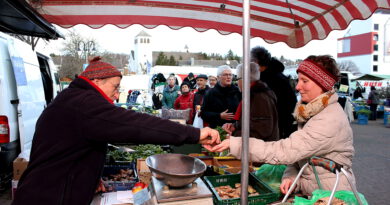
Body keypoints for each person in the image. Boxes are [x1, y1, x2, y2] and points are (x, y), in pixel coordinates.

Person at [12, 57, 220, 205]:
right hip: (49, 197)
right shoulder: (85, 103)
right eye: (115, 86)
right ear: (97, 82)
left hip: (48, 190)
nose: (116, 94)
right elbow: (135, 125)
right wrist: (195, 134)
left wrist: (88, 178)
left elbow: (74, 148)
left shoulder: (74, 98)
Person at [209, 55, 357, 196]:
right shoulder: (311, 112)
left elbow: (288, 150)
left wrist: (238, 144)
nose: (298, 86)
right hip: (314, 191)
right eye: (298, 80)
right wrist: (291, 176)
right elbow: (299, 158)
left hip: (333, 195)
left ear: (322, 85)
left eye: (304, 81)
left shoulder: (329, 119)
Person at [222, 63, 279, 141]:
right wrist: (234, 126)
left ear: (245, 79)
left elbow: (262, 131)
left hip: (261, 150)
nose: (237, 82)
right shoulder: (253, 94)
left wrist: (234, 134)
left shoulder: (259, 97)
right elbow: (252, 122)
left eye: (238, 78)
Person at [251, 46, 297, 139]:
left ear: (256, 61)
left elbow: (284, 107)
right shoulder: (265, 76)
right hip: (273, 127)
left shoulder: (275, 80)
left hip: (278, 130)